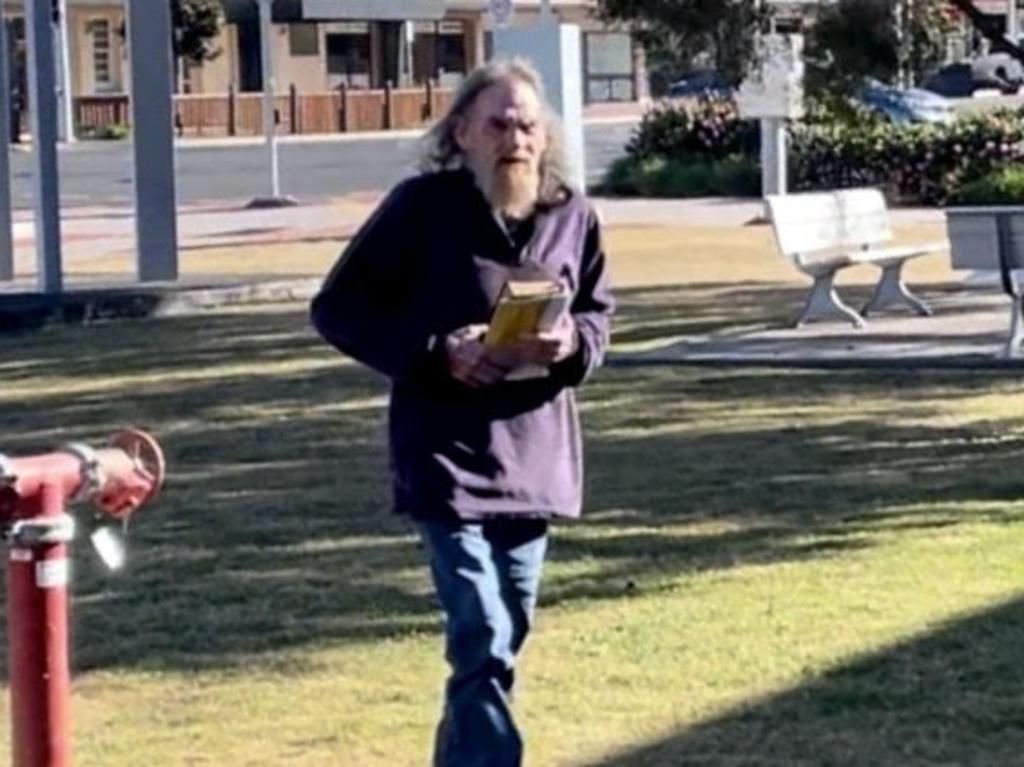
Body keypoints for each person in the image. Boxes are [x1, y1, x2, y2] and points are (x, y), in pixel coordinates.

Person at [310, 58, 613, 767]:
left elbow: (599, 316)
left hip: (535, 456)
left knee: (504, 633)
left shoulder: (573, 214)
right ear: (462, 134)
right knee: (479, 626)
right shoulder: (421, 207)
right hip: (445, 455)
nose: (517, 139)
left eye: (529, 126)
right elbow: (338, 309)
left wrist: (568, 341)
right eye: (499, 124)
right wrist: (436, 350)